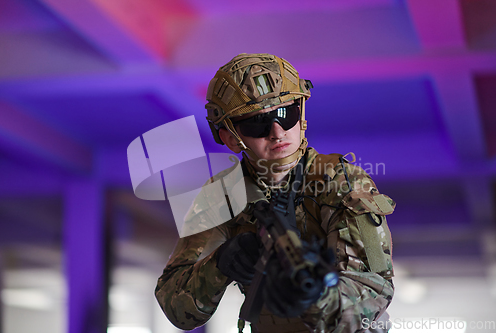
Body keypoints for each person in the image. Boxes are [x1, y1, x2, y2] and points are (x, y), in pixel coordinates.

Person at [155, 53, 395, 333]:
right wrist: (220, 263)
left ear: (300, 112)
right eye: (257, 123)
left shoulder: (342, 182)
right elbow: (176, 308)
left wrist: (316, 297)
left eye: (285, 113)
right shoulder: (220, 196)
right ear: (231, 138)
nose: (277, 132)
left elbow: (374, 292)